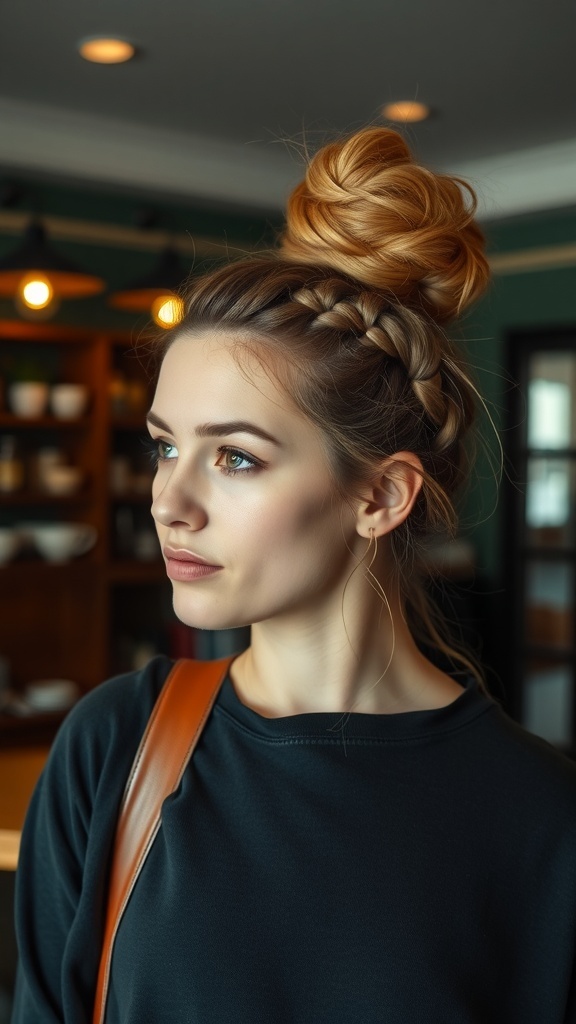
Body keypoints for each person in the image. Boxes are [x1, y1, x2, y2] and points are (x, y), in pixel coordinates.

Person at [11, 127, 576, 1024]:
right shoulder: (115, 747)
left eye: (235, 457)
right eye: (164, 447)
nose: (169, 502)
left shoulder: (544, 819)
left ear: (382, 495)